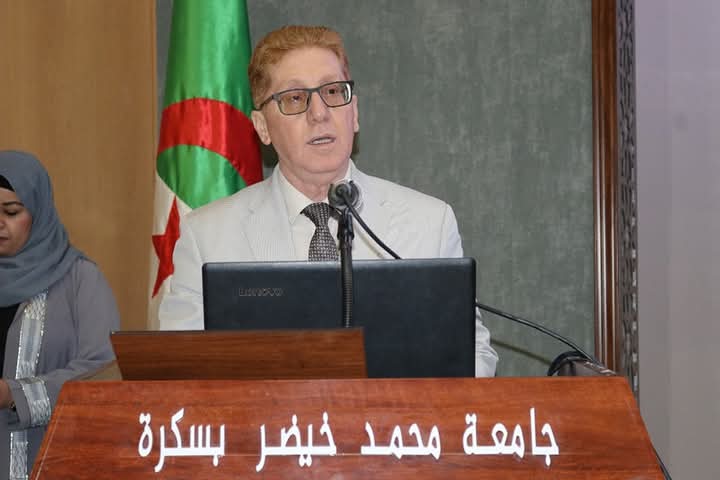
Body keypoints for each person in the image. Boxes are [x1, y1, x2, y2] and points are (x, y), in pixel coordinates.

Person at [159, 25, 498, 377]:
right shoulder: (208, 236)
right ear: (262, 127)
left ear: (355, 112)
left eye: (333, 92)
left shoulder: (429, 223)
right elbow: (178, 369)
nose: (319, 113)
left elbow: (473, 356)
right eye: (294, 98)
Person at [0, 150, 120, 477]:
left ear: (38, 212)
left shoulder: (79, 279)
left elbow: (105, 372)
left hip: (49, 460)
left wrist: (16, 395)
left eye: (11, 211)